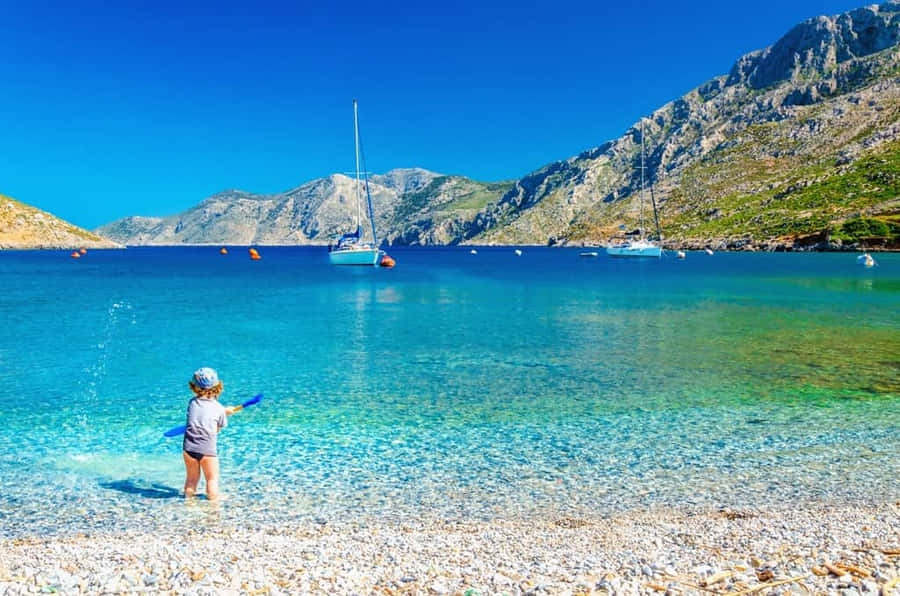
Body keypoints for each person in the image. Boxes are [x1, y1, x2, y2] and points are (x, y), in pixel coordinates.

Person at [182, 367, 235, 500]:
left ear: (194, 387)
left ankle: (188, 503)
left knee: (191, 479)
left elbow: (202, 415)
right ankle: (213, 507)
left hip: (189, 448)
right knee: (212, 480)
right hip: (207, 450)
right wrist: (225, 413)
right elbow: (216, 430)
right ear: (218, 386)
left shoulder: (192, 403)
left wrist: (223, 411)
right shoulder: (218, 408)